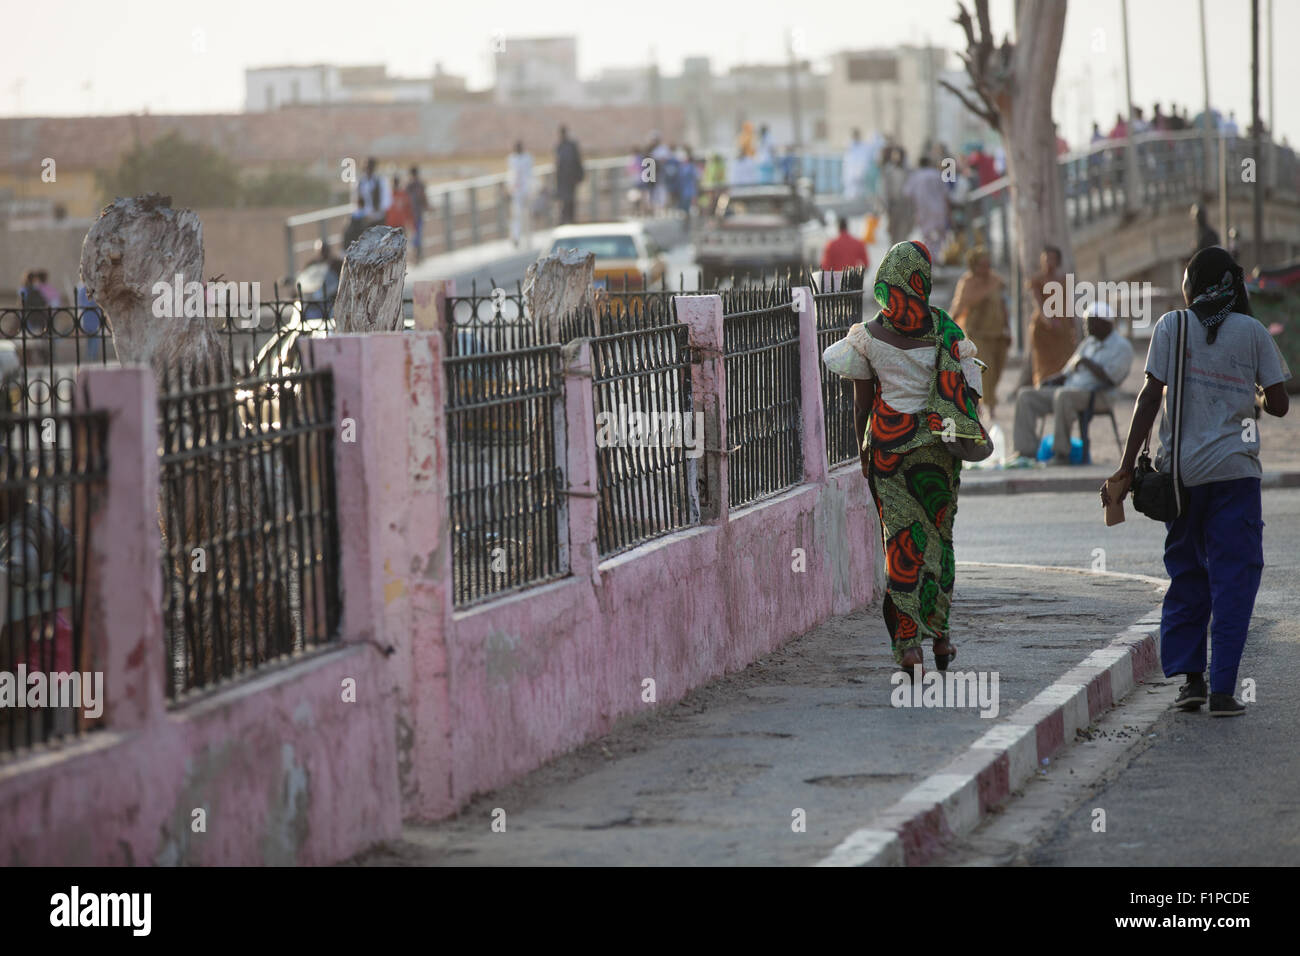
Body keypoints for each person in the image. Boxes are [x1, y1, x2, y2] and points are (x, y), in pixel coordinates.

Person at [1102, 246, 1291, 716]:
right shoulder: (1252, 332)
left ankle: (1191, 683)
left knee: (1188, 576)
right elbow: (1282, 403)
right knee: (1234, 579)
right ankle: (1224, 691)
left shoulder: (1172, 326)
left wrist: (1126, 465)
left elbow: (1149, 397)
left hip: (1182, 478)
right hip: (1235, 476)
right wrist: (1254, 393)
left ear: (1195, 285)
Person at [821, 241, 985, 677]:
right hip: (938, 453)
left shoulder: (867, 338)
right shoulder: (945, 330)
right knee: (939, 541)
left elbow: (861, 409)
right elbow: (971, 386)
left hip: (888, 456)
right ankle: (943, 638)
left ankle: (909, 646)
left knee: (901, 547)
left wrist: (863, 455)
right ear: (923, 281)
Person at [1010, 301, 1133, 464]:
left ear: (1104, 323)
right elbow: (1066, 373)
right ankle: (1026, 453)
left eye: (1089, 322)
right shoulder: (1089, 343)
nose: (1085, 327)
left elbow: (1112, 379)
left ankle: (1062, 454)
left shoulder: (1122, 347)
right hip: (1070, 390)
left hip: (1099, 395)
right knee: (1026, 396)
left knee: (1063, 396)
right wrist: (1047, 382)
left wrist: (1087, 362)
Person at [948, 246, 1010, 418]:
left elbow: (1003, 305)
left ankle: (987, 401)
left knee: (997, 370)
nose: (986, 268)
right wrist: (947, 328)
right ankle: (989, 407)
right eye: (982, 265)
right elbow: (959, 306)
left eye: (988, 264)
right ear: (974, 266)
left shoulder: (995, 280)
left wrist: (1008, 328)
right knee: (986, 372)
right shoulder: (967, 283)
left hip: (998, 333)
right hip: (978, 334)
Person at [1024, 245, 1077, 385]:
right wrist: (1048, 321)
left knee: (1065, 361)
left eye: (1052, 258)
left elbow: (1069, 303)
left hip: (1063, 326)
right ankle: (1043, 389)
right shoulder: (1037, 280)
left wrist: (1072, 327)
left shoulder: (1064, 279)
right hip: (1043, 327)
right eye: (1046, 258)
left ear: (1058, 260)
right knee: (1044, 364)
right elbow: (1038, 303)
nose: (1048, 261)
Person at [903, 156, 949, 252]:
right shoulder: (937, 174)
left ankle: (929, 255)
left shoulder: (915, 176)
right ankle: (935, 255)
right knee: (939, 233)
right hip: (938, 209)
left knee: (927, 234)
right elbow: (945, 194)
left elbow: (907, 194)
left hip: (923, 210)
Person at [881, 147, 914, 244]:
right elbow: (884, 190)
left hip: (905, 208)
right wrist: (886, 207)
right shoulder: (888, 171)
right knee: (893, 236)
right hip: (893, 207)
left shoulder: (908, 171)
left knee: (903, 235)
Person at [555, 126, 584, 225]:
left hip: (572, 178)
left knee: (571, 200)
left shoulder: (572, 146)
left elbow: (578, 160)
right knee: (564, 200)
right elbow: (558, 165)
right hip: (563, 179)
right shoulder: (559, 146)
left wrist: (580, 175)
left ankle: (571, 220)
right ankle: (564, 220)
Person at [507, 141, 534, 247]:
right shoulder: (512, 159)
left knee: (527, 215)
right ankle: (516, 237)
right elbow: (511, 175)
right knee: (516, 216)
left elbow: (530, 174)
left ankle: (528, 239)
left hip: (526, 190)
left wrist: (531, 189)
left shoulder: (527, 158)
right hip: (516, 191)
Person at [355, 157, 390, 222]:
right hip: (364, 217)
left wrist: (376, 213)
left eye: (370, 166)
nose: (368, 169)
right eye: (366, 166)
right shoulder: (361, 182)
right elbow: (358, 198)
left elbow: (386, 201)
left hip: (378, 217)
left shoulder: (380, 181)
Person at [406, 166, 428, 262]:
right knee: (416, 235)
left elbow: (423, 198)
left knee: (416, 234)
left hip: (416, 214)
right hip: (413, 214)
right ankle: (417, 255)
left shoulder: (412, 186)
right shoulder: (412, 186)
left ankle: (417, 255)